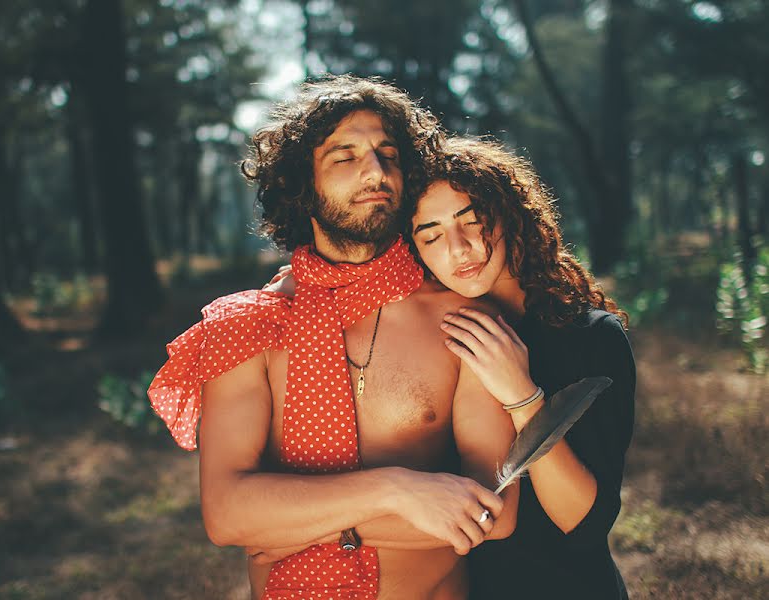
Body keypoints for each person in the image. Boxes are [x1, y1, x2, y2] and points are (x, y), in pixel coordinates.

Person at [147, 76, 518, 600]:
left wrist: (295, 523)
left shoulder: (459, 319)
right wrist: (399, 490)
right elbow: (227, 516)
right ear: (302, 183)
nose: (376, 171)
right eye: (345, 157)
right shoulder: (248, 326)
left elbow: (493, 512)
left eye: (389, 155)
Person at [408, 136, 636, 599]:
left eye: (473, 220)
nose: (459, 248)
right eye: (431, 236)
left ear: (512, 216)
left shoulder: (592, 338)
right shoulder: (426, 341)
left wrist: (522, 397)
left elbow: (584, 523)